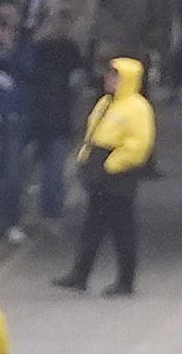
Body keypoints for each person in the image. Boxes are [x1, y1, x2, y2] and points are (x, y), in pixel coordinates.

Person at [57, 58, 154, 297]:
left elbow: (139, 144)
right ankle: (80, 274)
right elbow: (93, 133)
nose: (109, 80)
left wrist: (112, 165)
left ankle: (125, 280)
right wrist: (86, 159)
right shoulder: (105, 103)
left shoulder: (137, 107)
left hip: (119, 175)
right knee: (92, 226)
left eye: (115, 76)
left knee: (123, 229)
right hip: (100, 170)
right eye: (109, 75)